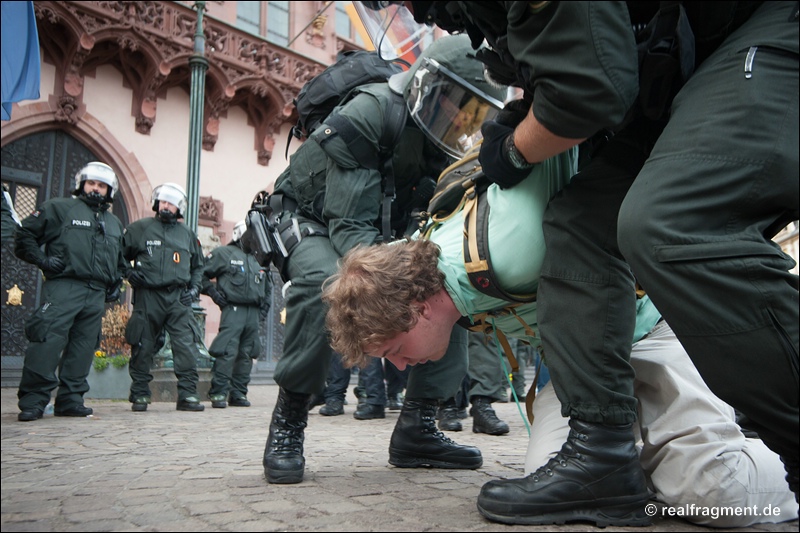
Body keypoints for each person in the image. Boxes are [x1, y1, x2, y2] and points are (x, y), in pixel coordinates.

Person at [361, 0, 799, 523]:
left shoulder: (495, 255)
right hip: (669, 72)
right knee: (581, 227)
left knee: (664, 224)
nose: (395, 364)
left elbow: (588, 91)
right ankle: (604, 455)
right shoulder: (455, 277)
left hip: (748, 32)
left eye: (391, 348)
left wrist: (517, 148)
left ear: (415, 306)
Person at [259, 34, 506, 484]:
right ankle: (289, 420)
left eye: (469, 111)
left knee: (448, 288)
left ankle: (418, 427)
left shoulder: (449, 141)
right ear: (428, 85)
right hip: (315, 217)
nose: (456, 119)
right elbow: (349, 229)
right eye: (451, 103)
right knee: (328, 286)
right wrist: (401, 272)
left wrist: (433, 273)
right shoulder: (372, 112)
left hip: (383, 228)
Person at [526, 304, 799, 528]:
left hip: (660, 327)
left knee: (712, 491)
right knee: (561, 484)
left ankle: (772, 453)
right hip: (581, 365)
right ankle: (662, 462)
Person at [13, 162, 126, 421]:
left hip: (96, 293)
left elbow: (119, 258)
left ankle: (71, 399)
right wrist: (42, 261)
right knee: (47, 341)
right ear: (81, 184)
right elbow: (25, 235)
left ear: (110, 191)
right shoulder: (59, 208)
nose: (96, 189)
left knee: (84, 346)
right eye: (92, 183)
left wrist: (116, 281)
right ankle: (33, 400)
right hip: (65, 286)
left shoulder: (113, 222)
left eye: (102, 185)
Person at [122, 182, 206, 413]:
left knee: (185, 346)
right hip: (148, 296)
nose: (166, 206)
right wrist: (128, 273)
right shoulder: (140, 229)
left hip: (179, 298)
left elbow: (199, 266)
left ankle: (188, 395)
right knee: (143, 344)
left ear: (179, 207)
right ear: (157, 203)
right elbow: (117, 254)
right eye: (163, 201)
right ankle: (140, 393)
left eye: (171, 203)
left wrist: (194, 289)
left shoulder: (188, 235)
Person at [202, 219, 273, 409]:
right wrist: (214, 293)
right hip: (233, 310)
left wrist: (264, 308)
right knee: (227, 351)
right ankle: (218, 392)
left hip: (253, 312)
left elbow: (267, 286)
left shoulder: (260, 259)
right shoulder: (224, 254)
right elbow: (200, 273)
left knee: (247, 353)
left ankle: (239, 393)